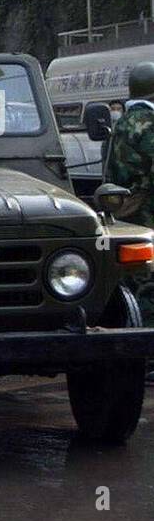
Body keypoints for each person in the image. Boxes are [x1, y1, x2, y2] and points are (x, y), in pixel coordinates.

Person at [105, 61, 154, 381]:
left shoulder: (124, 121)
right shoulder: (148, 124)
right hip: (148, 209)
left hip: (125, 210)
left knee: (133, 279)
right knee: (149, 281)